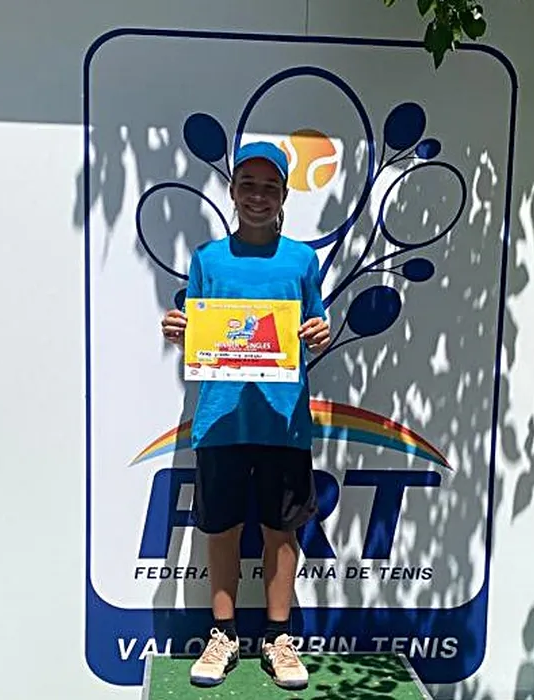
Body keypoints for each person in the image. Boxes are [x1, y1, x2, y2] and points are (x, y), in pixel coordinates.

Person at [160, 141, 330, 690]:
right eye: (248, 185)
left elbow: (315, 331)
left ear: (284, 196)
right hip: (220, 421)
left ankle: (278, 638)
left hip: (284, 422)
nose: (258, 196)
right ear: (232, 192)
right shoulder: (207, 260)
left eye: (270, 187)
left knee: (282, 531)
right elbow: (199, 332)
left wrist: (319, 334)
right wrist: (180, 330)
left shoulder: (302, 261)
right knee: (222, 529)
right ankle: (224, 634)